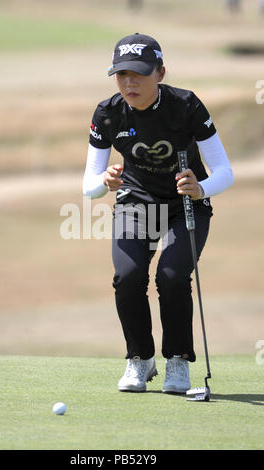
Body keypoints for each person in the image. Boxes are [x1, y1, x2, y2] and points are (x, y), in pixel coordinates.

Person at [83, 33, 234, 394]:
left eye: (138, 74)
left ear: (160, 72)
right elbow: (89, 184)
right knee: (128, 276)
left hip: (187, 204)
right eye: (121, 75)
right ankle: (140, 359)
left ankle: (178, 361)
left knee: (172, 277)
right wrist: (104, 181)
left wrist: (201, 188)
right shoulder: (107, 113)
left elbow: (224, 171)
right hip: (137, 201)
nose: (129, 83)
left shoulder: (187, 106)